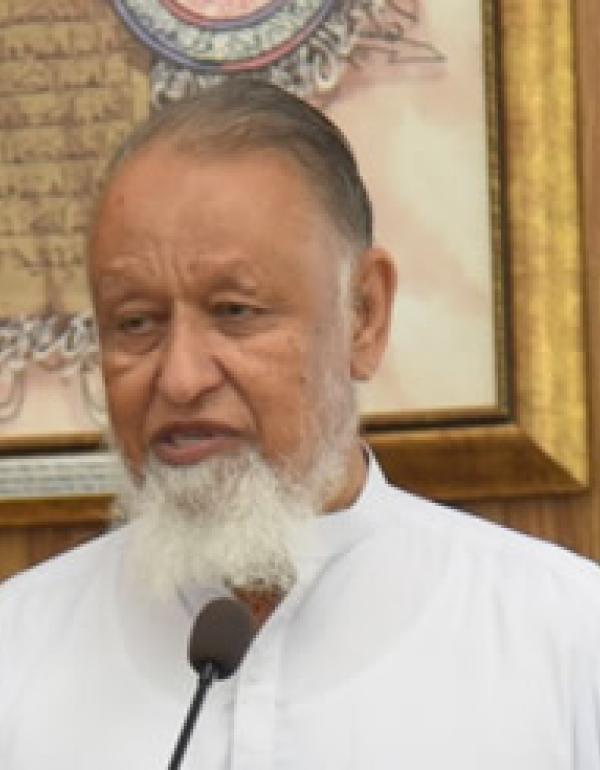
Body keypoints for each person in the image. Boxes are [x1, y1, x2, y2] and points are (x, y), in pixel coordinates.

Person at [1, 80, 599, 769]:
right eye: (136, 323)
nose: (181, 378)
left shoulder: (567, 641)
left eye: (235, 312)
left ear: (364, 314)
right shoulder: (17, 653)